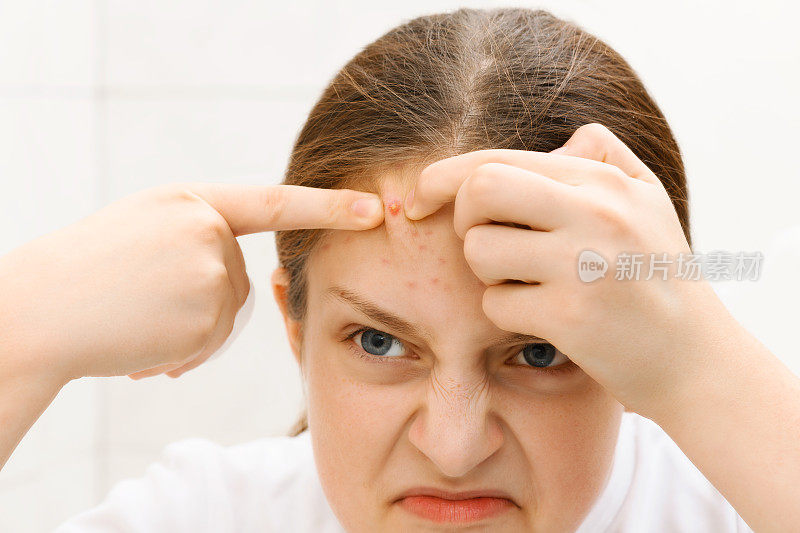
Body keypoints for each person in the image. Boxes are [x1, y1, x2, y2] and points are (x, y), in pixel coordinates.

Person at [0, 6, 797, 532]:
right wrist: (17, 329)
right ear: (295, 323)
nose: (453, 448)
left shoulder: (733, 505)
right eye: (378, 342)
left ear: (641, 348)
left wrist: (702, 368)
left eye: (539, 351)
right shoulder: (210, 512)